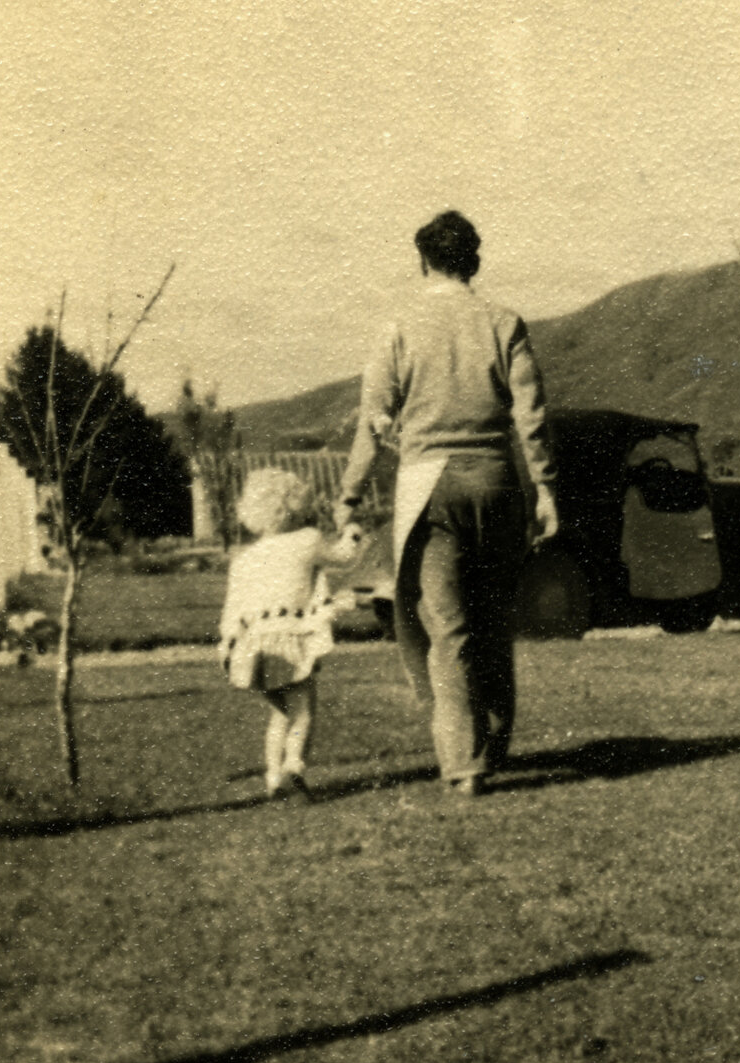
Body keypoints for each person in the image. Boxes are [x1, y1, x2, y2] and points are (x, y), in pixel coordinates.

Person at [336, 210, 558, 798]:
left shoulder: (399, 327)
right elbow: (530, 416)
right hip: (495, 481)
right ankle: (495, 739)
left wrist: (349, 495)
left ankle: (465, 765)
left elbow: (370, 420)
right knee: (493, 621)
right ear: (474, 262)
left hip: (427, 488)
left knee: (447, 629)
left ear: (423, 261)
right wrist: (547, 490)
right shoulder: (503, 322)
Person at [219, 469, 361, 799]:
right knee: (303, 708)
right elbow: (344, 558)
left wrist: (228, 649)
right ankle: (294, 764)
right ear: (296, 505)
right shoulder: (307, 540)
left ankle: (272, 777)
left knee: (278, 712)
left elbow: (232, 610)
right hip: (293, 638)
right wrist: (352, 532)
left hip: (256, 647)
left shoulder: (244, 560)